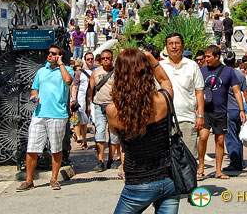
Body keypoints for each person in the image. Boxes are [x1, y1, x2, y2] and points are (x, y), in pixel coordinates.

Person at [107, 48, 179, 213]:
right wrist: (151, 60)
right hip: (168, 179)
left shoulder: (114, 111)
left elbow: (118, 135)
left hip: (137, 182)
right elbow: (165, 82)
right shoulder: (163, 100)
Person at [17, 45, 73, 191]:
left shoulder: (67, 70)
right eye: (49, 53)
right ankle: (29, 181)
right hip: (39, 114)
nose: (49, 55)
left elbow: (68, 81)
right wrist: (34, 95)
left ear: (59, 56)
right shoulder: (41, 71)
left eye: (53, 53)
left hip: (57, 115)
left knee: (56, 148)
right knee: (32, 148)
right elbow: (35, 88)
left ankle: (54, 179)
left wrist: (61, 64)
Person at [198, 45, 247, 180]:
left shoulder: (228, 72)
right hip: (205, 111)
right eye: (205, 57)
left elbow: (237, 91)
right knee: (203, 137)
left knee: (220, 141)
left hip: (221, 111)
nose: (205, 59)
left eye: (208, 57)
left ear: (217, 57)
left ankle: (218, 170)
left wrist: (242, 109)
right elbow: (196, 91)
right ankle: (201, 167)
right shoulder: (201, 71)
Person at [160, 33, 204, 157]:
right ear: (166, 47)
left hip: (187, 119)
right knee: (167, 159)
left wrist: (200, 115)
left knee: (188, 158)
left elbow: (199, 91)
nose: (174, 47)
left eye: (177, 43)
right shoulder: (160, 67)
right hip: (165, 121)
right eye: (171, 44)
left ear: (182, 46)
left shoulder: (192, 65)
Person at [223, 51, 247, 172]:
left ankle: (235, 162)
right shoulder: (240, 75)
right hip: (238, 108)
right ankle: (239, 160)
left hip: (227, 108)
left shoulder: (222, 74)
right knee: (237, 135)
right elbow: (245, 94)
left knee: (230, 137)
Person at [70, 54, 94, 149]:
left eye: (92, 59)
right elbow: (75, 86)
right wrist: (74, 99)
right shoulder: (80, 72)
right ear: (85, 60)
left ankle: (96, 140)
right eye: (88, 59)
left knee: (92, 120)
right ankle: (83, 140)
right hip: (81, 99)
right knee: (81, 121)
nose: (90, 60)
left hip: (93, 99)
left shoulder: (97, 70)